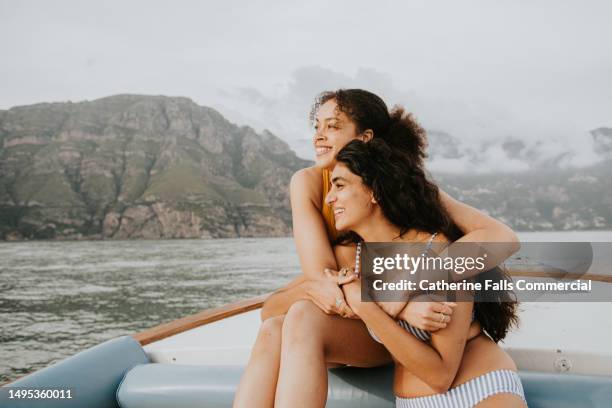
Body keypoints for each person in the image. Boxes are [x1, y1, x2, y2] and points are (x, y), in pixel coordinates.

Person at [233, 89, 520, 408]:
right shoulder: (311, 188)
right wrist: (394, 301)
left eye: (332, 126)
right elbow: (323, 287)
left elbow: (501, 237)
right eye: (316, 127)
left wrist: (406, 287)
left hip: (423, 350)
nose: (319, 136)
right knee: (276, 325)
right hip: (362, 322)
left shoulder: (412, 196)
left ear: (366, 138)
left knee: (299, 317)